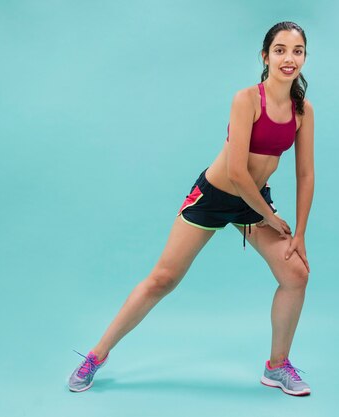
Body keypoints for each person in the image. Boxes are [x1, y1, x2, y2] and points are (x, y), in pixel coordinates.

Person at [68, 21, 314, 397]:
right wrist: (268, 216)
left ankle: (277, 366)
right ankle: (96, 355)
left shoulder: (302, 110)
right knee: (162, 279)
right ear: (265, 56)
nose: (288, 58)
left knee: (296, 274)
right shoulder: (247, 100)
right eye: (280, 50)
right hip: (216, 196)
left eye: (297, 51)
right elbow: (234, 171)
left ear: (304, 58)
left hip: (255, 201)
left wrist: (299, 233)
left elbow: (305, 174)